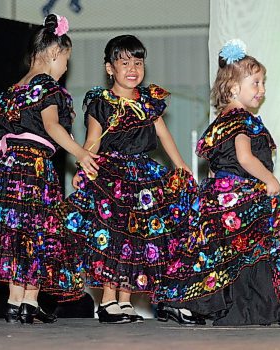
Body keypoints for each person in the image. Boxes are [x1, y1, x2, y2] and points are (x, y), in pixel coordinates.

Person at [0, 14, 99, 324]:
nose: (66, 68)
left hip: (8, 169)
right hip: (34, 166)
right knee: (37, 231)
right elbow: (51, 126)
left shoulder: (12, 90)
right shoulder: (46, 86)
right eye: (65, 60)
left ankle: (16, 301)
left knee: (16, 231)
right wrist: (79, 152)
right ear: (54, 54)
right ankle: (30, 299)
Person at [156, 39, 280, 327]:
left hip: (227, 196)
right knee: (273, 244)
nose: (261, 89)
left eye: (263, 83)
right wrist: (270, 179)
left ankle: (256, 311)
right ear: (235, 88)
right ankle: (264, 310)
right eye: (256, 83)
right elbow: (244, 158)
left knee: (232, 254)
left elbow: (216, 166)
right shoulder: (240, 120)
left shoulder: (223, 120)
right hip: (243, 197)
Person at [63, 35, 203, 324]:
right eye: (124, 62)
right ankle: (107, 302)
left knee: (136, 240)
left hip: (145, 179)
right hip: (113, 177)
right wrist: (84, 168)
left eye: (137, 62)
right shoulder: (101, 102)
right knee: (114, 238)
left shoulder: (149, 102)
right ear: (110, 68)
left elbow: (164, 136)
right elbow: (92, 141)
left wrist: (181, 166)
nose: (132, 68)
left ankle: (126, 302)